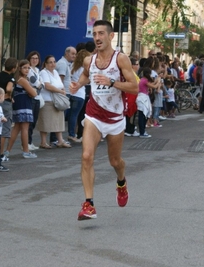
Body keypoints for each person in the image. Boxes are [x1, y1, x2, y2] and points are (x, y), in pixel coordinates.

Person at [70, 20, 138, 220]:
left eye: (101, 33)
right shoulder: (89, 61)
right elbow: (85, 76)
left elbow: (135, 87)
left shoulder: (121, 60)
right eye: (94, 34)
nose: (97, 38)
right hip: (94, 114)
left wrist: (111, 82)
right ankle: (89, 204)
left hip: (115, 118)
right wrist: (77, 85)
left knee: (115, 161)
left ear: (111, 36)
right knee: (86, 156)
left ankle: (121, 182)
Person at [4, 59, 38, 159]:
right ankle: (26, 151)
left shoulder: (18, 79)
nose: (27, 70)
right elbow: (34, 93)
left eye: (28, 68)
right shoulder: (22, 80)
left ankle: (7, 151)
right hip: (24, 104)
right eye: (24, 68)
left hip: (19, 104)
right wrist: (32, 91)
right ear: (19, 68)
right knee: (24, 128)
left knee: (17, 128)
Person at [38, 55, 71, 149]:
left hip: (57, 100)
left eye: (54, 62)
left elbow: (60, 84)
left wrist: (63, 90)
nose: (53, 64)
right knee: (45, 121)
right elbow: (47, 86)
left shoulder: (55, 72)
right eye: (50, 62)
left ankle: (60, 140)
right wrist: (61, 91)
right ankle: (43, 142)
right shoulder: (44, 73)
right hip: (48, 100)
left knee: (58, 121)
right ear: (46, 64)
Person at [0, 57, 18, 161]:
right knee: (4, 130)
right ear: (13, 68)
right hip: (5, 104)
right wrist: (9, 95)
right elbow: (8, 88)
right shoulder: (11, 78)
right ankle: (0, 153)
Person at [68, 49, 91, 142]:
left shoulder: (72, 66)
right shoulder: (84, 68)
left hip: (71, 92)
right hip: (80, 93)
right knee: (78, 115)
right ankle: (74, 134)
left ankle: (71, 133)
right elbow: (87, 80)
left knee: (71, 115)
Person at [26, 51, 43, 150]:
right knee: (29, 121)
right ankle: (27, 143)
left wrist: (39, 85)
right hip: (31, 98)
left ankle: (30, 141)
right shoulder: (29, 70)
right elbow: (35, 82)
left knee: (34, 121)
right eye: (33, 58)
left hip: (37, 98)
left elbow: (42, 84)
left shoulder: (37, 70)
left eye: (36, 58)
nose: (35, 60)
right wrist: (39, 85)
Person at [136, 67, 157, 138]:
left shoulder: (142, 80)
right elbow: (154, 86)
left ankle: (143, 131)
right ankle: (142, 132)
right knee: (143, 115)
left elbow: (150, 85)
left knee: (144, 115)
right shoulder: (144, 80)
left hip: (143, 97)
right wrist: (159, 81)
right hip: (143, 98)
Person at [124, 57, 140, 137]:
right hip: (130, 95)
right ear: (132, 65)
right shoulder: (131, 74)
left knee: (131, 112)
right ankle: (129, 129)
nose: (138, 66)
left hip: (134, 95)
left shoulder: (133, 74)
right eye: (136, 64)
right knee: (130, 112)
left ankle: (130, 128)